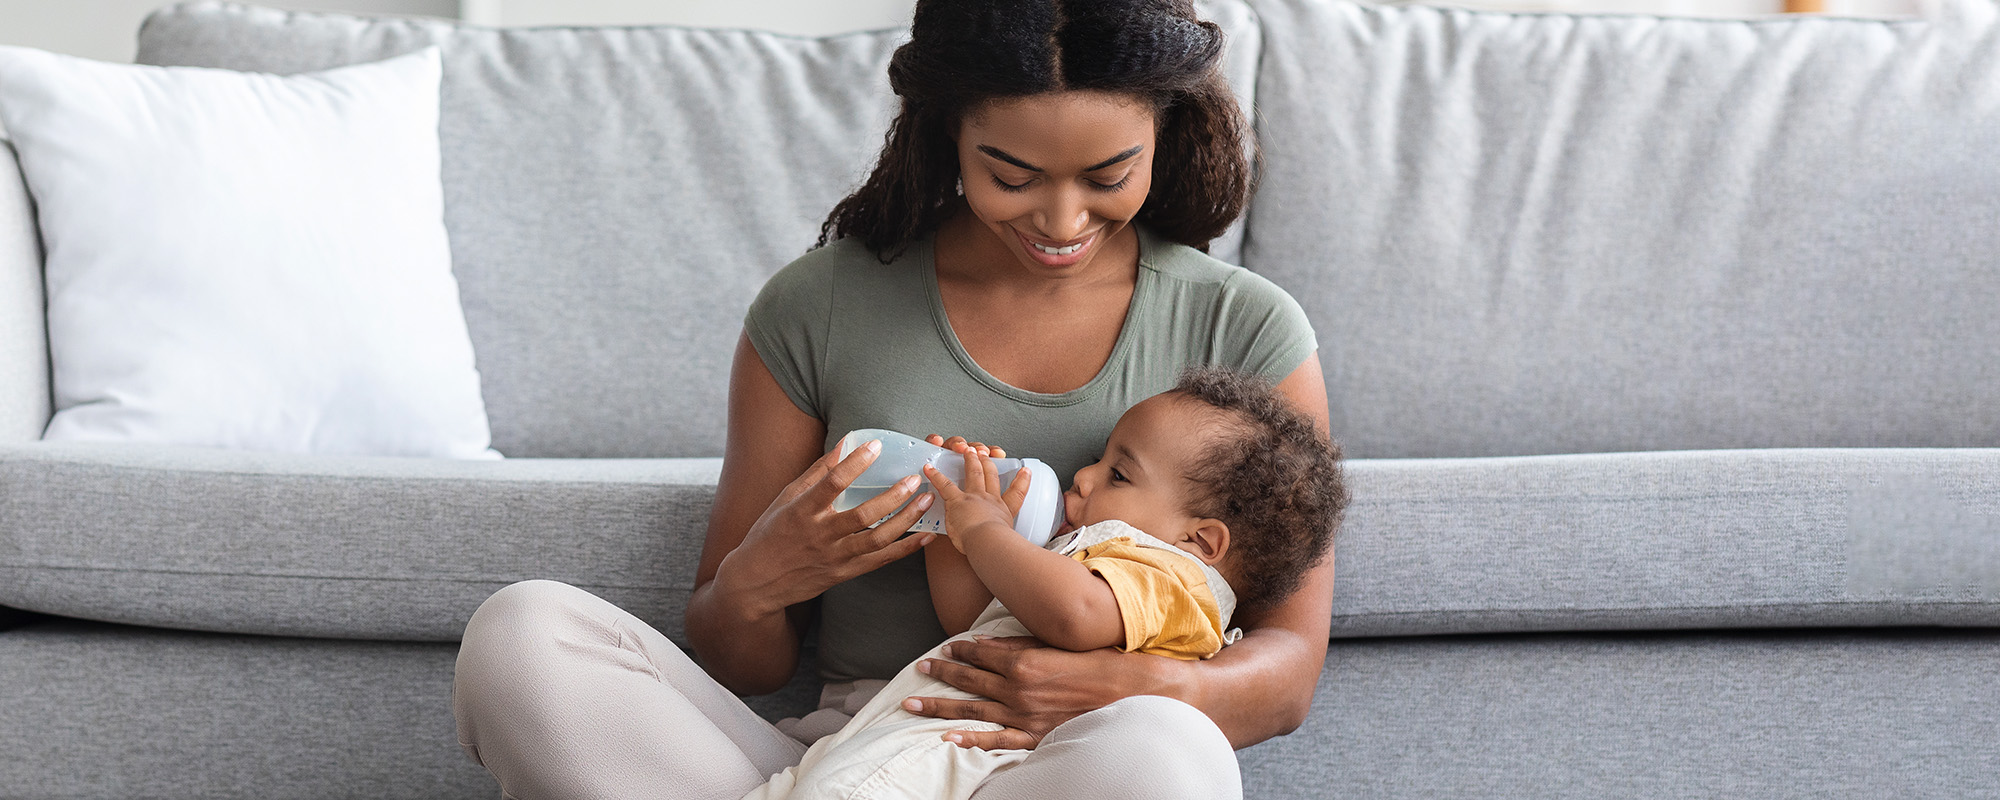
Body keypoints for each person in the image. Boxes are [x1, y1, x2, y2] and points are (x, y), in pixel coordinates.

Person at [451, 1, 1336, 797]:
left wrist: (1138, 686)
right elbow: (739, 658)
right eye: (1014, 176)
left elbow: (1289, 668)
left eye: (1107, 176)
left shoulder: (1243, 326)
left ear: (1166, 133)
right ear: (948, 131)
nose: (1063, 221)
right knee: (523, 633)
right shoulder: (818, 306)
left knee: (1167, 752)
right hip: (835, 759)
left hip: (1068, 760)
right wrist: (758, 583)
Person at [746, 369, 1347, 800]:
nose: (1083, 476)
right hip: (901, 742)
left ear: (1201, 541)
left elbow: (1074, 615)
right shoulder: (1096, 565)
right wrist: (953, 523)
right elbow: (971, 622)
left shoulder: (1175, 583)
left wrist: (986, 528)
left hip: (963, 757)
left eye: (1117, 472)